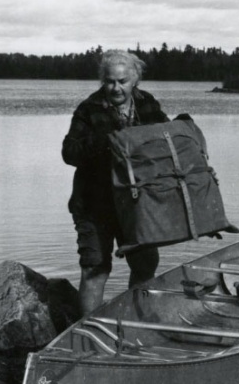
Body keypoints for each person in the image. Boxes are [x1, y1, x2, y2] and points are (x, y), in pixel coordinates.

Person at [62, 49, 169, 315]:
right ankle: (88, 336)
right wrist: (105, 141)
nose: (116, 88)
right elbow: (69, 153)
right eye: (110, 81)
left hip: (135, 204)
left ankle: (135, 323)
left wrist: (181, 127)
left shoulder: (147, 104)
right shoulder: (88, 109)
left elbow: (167, 140)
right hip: (93, 204)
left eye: (122, 81)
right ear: (103, 80)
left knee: (145, 266)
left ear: (135, 81)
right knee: (95, 269)